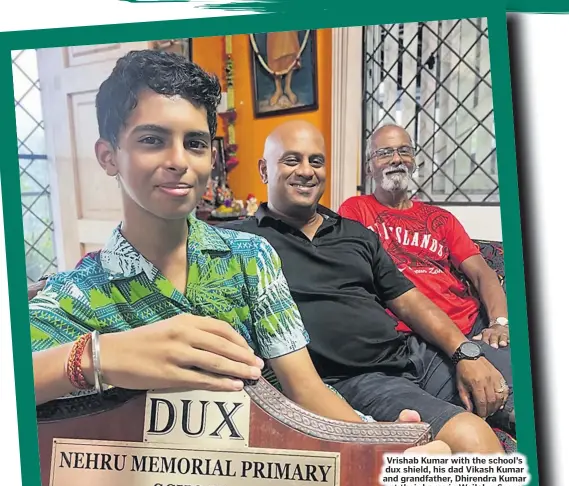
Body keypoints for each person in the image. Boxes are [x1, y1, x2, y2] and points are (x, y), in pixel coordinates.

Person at [28, 49, 363, 426]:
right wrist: (96, 357)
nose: (179, 160)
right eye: (152, 140)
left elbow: (304, 390)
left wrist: (386, 448)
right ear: (108, 157)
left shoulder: (249, 258)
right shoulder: (78, 294)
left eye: (195, 143)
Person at [224, 120, 516, 453]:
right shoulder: (241, 242)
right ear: (264, 170)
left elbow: (410, 301)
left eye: (316, 161)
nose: (306, 171)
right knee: (471, 437)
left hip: (414, 356)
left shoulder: (355, 233)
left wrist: (465, 352)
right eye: (292, 160)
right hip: (358, 378)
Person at [338, 124, 510, 352]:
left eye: (404, 151)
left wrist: (499, 323)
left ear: (414, 163)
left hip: (467, 325)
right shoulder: (355, 210)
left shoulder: (441, 218)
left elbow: (481, 273)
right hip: (405, 334)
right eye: (385, 153)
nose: (396, 159)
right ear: (369, 167)